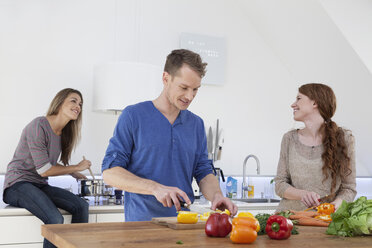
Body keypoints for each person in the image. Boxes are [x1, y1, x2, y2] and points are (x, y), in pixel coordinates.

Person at [102, 49, 237, 221]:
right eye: (184, 87)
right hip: (141, 226)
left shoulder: (196, 124)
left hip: (183, 224)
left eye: (195, 89)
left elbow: (203, 171)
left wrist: (217, 195)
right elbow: (110, 173)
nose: (190, 96)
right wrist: (154, 188)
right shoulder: (133, 116)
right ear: (166, 78)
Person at [3, 88, 92, 248]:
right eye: (73, 101)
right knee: (55, 218)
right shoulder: (38, 126)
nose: (78, 106)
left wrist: (73, 171)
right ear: (59, 103)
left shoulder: (63, 134)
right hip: (17, 185)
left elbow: (46, 163)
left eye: (80, 104)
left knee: (81, 206)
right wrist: (76, 166)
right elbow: (44, 169)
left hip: (39, 184)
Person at [274, 83, 356, 212]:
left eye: (299, 99)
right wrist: (302, 194)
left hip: (325, 222)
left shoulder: (344, 138)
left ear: (314, 103)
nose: (293, 104)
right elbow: (279, 184)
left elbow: (349, 188)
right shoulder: (289, 139)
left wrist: (334, 206)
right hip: (288, 220)